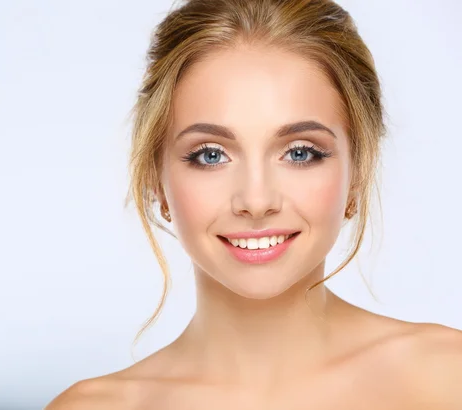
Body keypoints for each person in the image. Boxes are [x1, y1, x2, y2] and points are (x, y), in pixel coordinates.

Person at [47, 0, 462, 408]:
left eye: (301, 152)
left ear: (358, 173)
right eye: (210, 154)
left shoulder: (448, 376)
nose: (257, 201)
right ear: (157, 180)